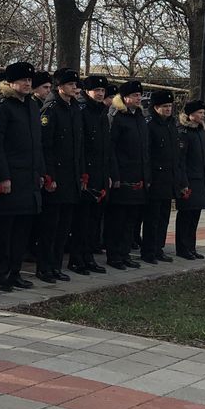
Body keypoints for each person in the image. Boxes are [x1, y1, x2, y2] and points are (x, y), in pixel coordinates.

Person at [0, 61, 43, 292]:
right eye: (23, 80)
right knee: (3, 230)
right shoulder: (2, 105)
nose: (27, 84)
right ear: (10, 83)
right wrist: (3, 177)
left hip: (29, 177)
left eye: (29, 80)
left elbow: (37, 144)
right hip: (10, 177)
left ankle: (14, 272)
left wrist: (40, 172)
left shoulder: (31, 105)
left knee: (21, 230)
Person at [37, 68, 84, 283]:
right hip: (56, 177)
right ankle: (44, 267)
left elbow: (78, 145)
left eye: (76, 84)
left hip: (71, 177)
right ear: (60, 86)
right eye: (71, 84)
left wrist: (81, 173)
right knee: (50, 227)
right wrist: (49, 175)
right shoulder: (52, 108)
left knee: (64, 227)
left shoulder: (74, 107)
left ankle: (55, 266)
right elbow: (46, 146)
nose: (75, 88)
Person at [71, 75, 112, 275]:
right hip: (86, 172)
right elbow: (80, 146)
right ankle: (77, 259)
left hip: (100, 172)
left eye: (103, 91)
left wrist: (107, 174)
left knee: (94, 221)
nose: (100, 94)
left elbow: (106, 147)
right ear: (87, 91)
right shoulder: (82, 110)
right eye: (97, 90)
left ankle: (88, 257)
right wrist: (82, 175)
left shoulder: (101, 112)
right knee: (82, 221)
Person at [107, 80, 149, 271]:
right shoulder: (117, 116)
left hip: (138, 176)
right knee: (118, 219)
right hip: (123, 177)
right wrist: (115, 175)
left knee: (131, 220)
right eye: (135, 95)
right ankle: (114, 255)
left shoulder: (139, 116)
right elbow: (111, 149)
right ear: (125, 98)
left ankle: (125, 254)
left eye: (140, 95)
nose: (139, 98)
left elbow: (144, 149)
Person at [144, 89, 184, 263]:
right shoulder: (150, 125)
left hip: (169, 178)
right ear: (156, 107)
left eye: (170, 106)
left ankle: (159, 248)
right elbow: (147, 154)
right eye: (164, 106)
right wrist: (148, 178)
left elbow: (176, 155)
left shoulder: (171, 125)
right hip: (156, 178)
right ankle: (149, 250)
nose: (168, 109)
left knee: (164, 217)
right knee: (152, 218)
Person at [175, 98, 205, 260]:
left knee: (195, 215)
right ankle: (182, 248)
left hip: (199, 179)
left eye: (203, 112)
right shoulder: (183, 132)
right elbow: (181, 160)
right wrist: (183, 183)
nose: (203, 115)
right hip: (188, 180)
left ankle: (191, 247)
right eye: (199, 112)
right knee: (186, 215)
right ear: (190, 115)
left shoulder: (200, 131)